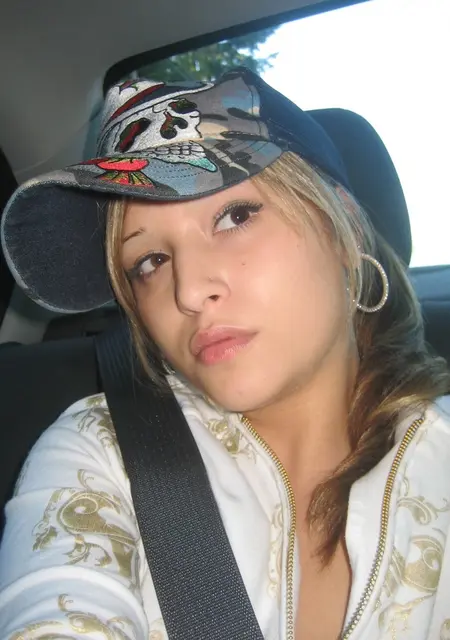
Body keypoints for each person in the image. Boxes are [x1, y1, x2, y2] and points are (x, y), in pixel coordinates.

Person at [0, 67, 449, 640]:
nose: (189, 291)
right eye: (150, 262)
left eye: (235, 217)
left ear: (343, 229)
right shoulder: (101, 452)